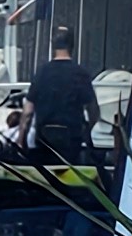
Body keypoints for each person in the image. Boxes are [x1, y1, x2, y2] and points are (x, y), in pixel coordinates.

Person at [27, 32, 100, 167]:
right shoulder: (80, 73)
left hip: (44, 140)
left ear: (53, 46)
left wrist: (21, 140)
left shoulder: (41, 72)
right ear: (72, 46)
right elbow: (94, 110)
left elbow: (27, 112)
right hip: (71, 141)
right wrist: (87, 129)